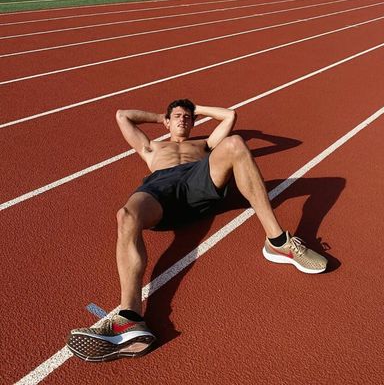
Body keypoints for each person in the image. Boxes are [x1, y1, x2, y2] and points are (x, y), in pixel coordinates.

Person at [67, 99, 327, 362]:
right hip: (161, 188)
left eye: (188, 118)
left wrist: (197, 110)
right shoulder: (151, 147)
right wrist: (162, 117)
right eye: (178, 116)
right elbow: (122, 115)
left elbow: (229, 115)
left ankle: (277, 241)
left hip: (199, 178)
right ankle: (130, 317)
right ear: (168, 122)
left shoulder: (204, 145)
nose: (183, 120)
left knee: (235, 143)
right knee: (125, 216)